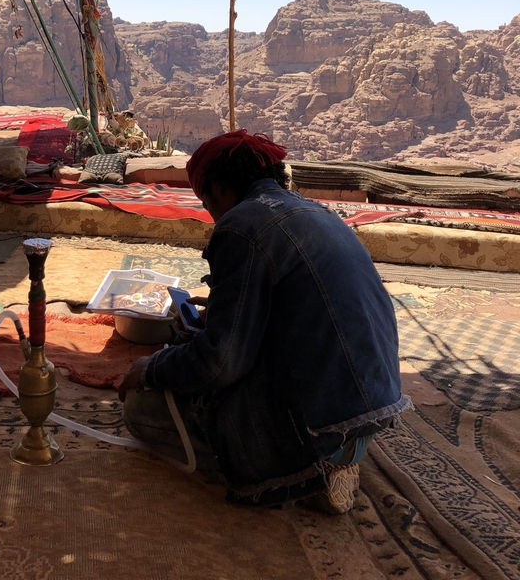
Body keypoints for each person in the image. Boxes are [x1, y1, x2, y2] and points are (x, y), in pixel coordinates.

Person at [119, 130, 409, 513]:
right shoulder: (317, 211)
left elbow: (220, 362)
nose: (210, 211)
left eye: (204, 199)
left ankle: (310, 472)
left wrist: (151, 368)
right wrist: (225, 308)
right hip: (368, 408)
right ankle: (342, 456)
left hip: (318, 425)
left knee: (143, 411)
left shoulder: (241, 225)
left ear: (219, 189)